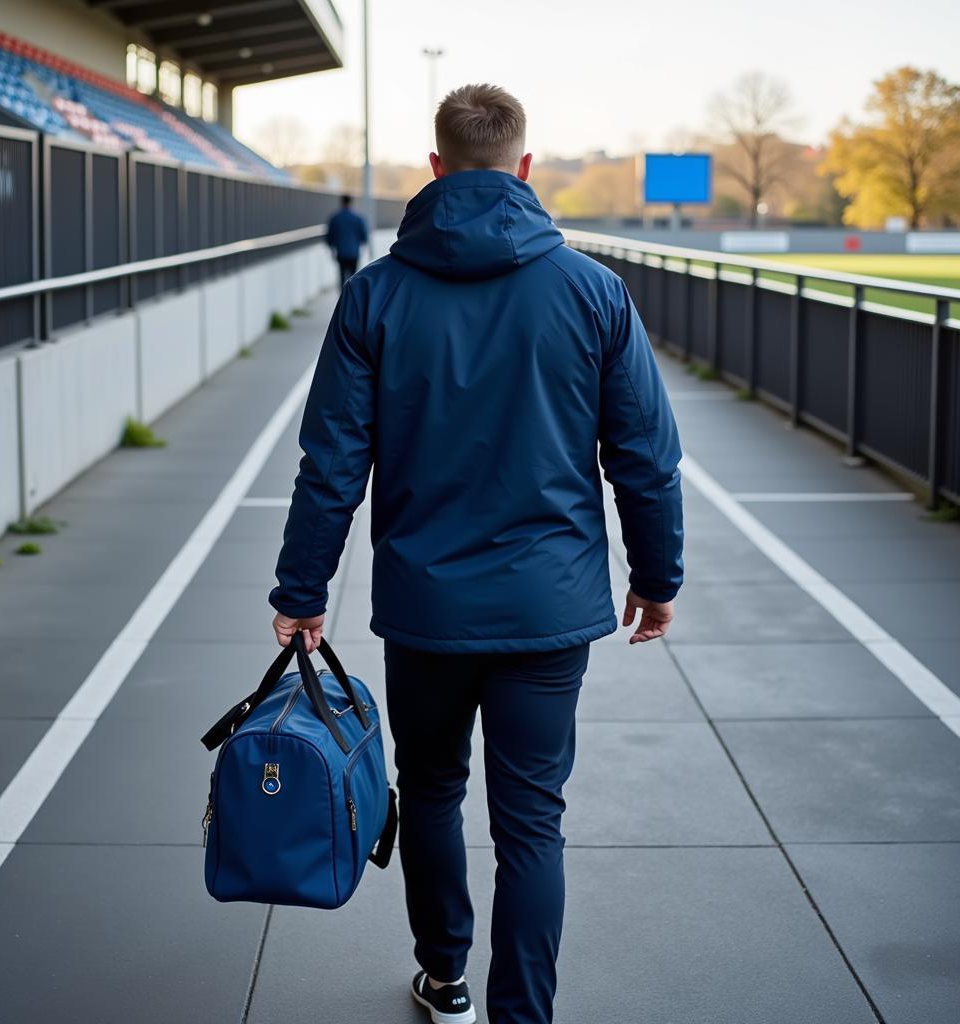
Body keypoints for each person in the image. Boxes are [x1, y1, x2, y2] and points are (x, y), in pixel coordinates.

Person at [269, 84, 684, 1024]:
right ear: (526, 169)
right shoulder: (592, 292)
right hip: (547, 609)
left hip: (427, 610)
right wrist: (657, 581)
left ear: (435, 168)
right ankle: (521, 1014)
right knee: (533, 822)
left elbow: (330, 462)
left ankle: (444, 976)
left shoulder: (375, 294)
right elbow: (646, 459)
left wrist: (302, 589)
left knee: (432, 793)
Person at [325, 193, 368, 289]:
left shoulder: (335, 218)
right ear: (351, 202)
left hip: (341, 252)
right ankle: (351, 298)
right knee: (353, 277)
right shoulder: (358, 218)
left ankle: (342, 297)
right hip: (354, 252)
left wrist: (332, 248)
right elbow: (364, 237)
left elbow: (329, 237)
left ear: (341, 202)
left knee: (341, 276)